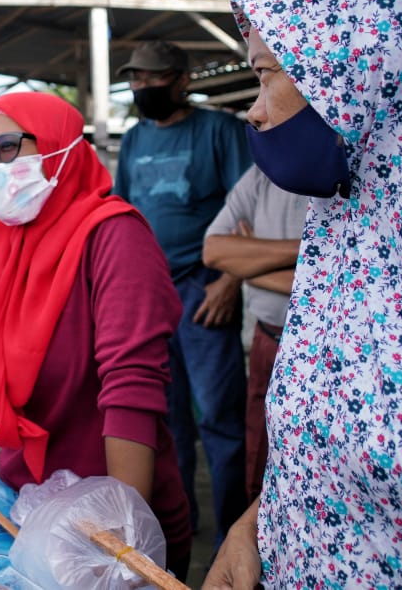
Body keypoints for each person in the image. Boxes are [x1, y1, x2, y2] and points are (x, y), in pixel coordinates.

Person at [0, 92, 192, 576]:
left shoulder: (115, 235)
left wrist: (122, 544)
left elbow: (131, 391)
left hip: (114, 522)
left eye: (8, 147)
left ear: (60, 146)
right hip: (32, 502)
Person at [205, 0, 402, 589]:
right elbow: (320, 458)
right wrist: (252, 529)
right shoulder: (342, 221)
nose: (254, 111)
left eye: (265, 75)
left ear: (364, 71)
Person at [114, 39, 252, 547]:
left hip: (202, 289)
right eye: (136, 79)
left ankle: (234, 532)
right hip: (149, 293)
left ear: (181, 80)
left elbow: (247, 210)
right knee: (164, 419)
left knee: (218, 415)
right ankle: (179, 527)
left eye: (153, 78)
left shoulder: (218, 130)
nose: (143, 88)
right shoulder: (133, 140)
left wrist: (230, 281)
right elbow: (122, 215)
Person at [202, 166, 306, 503]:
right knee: (259, 463)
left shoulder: (351, 174)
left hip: (323, 347)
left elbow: (352, 278)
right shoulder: (263, 175)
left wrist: (251, 261)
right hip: (268, 338)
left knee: (305, 473)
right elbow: (215, 252)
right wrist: (312, 249)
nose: (257, 115)